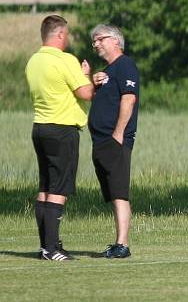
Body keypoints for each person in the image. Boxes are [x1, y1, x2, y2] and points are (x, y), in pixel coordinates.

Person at [25, 15, 94, 261]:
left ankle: (46, 245)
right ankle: (52, 248)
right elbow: (86, 93)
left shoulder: (33, 61)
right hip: (62, 128)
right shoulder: (65, 60)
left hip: (40, 127)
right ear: (60, 35)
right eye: (67, 34)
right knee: (58, 187)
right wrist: (87, 74)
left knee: (45, 186)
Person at [87, 24, 140, 258]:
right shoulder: (108, 71)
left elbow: (128, 100)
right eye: (93, 41)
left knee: (119, 192)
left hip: (114, 140)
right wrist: (91, 79)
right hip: (101, 141)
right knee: (112, 193)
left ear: (115, 41)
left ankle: (123, 244)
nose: (95, 43)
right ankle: (118, 241)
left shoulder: (125, 65)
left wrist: (118, 134)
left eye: (99, 39)